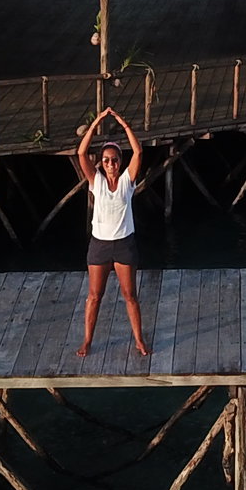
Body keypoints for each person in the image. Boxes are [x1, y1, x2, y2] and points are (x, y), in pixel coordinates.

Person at [74, 108, 150, 358]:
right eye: (106, 160)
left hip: (124, 245)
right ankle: (87, 340)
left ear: (120, 161)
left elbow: (138, 152)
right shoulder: (96, 181)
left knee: (130, 296)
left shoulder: (128, 181)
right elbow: (81, 153)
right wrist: (96, 121)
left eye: (115, 159)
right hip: (100, 246)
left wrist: (123, 123)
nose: (111, 164)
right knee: (95, 296)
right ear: (102, 163)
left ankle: (139, 339)